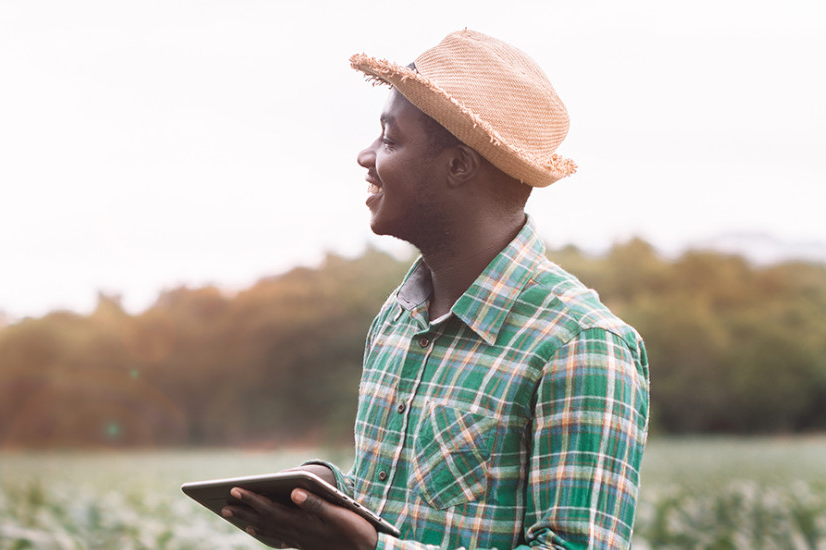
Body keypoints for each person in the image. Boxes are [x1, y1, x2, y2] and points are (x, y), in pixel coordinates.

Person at [221, 30, 650, 549]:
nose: (366, 155)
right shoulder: (397, 318)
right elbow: (401, 505)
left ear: (458, 165)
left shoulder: (581, 344)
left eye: (390, 138)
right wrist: (326, 488)